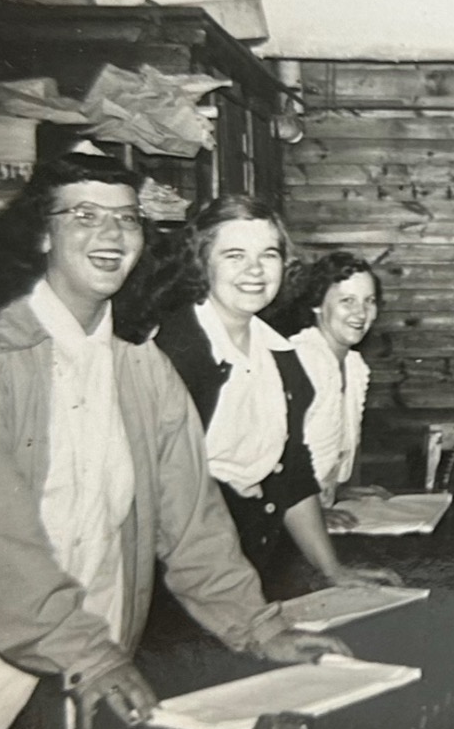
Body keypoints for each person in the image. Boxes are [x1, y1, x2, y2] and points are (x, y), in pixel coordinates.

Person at [0, 155, 348, 729]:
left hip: (71, 670)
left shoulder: (142, 366)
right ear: (41, 233)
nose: (110, 235)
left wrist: (256, 627)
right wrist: (92, 657)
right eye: (84, 215)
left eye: (127, 219)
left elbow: (191, 519)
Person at [148, 195, 397, 589]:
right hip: (179, 577)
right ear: (202, 260)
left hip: (250, 561)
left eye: (268, 254)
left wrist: (333, 571)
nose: (255, 270)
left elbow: (290, 473)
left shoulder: (281, 356)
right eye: (234, 255)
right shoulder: (172, 351)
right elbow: (159, 497)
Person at [275, 251, 393, 523]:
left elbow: (323, 456)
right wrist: (313, 514)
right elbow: (271, 465)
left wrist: (341, 490)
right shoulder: (302, 359)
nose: (361, 313)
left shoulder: (354, 366)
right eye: (347, 301)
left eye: (369, 301)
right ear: (317, 304)